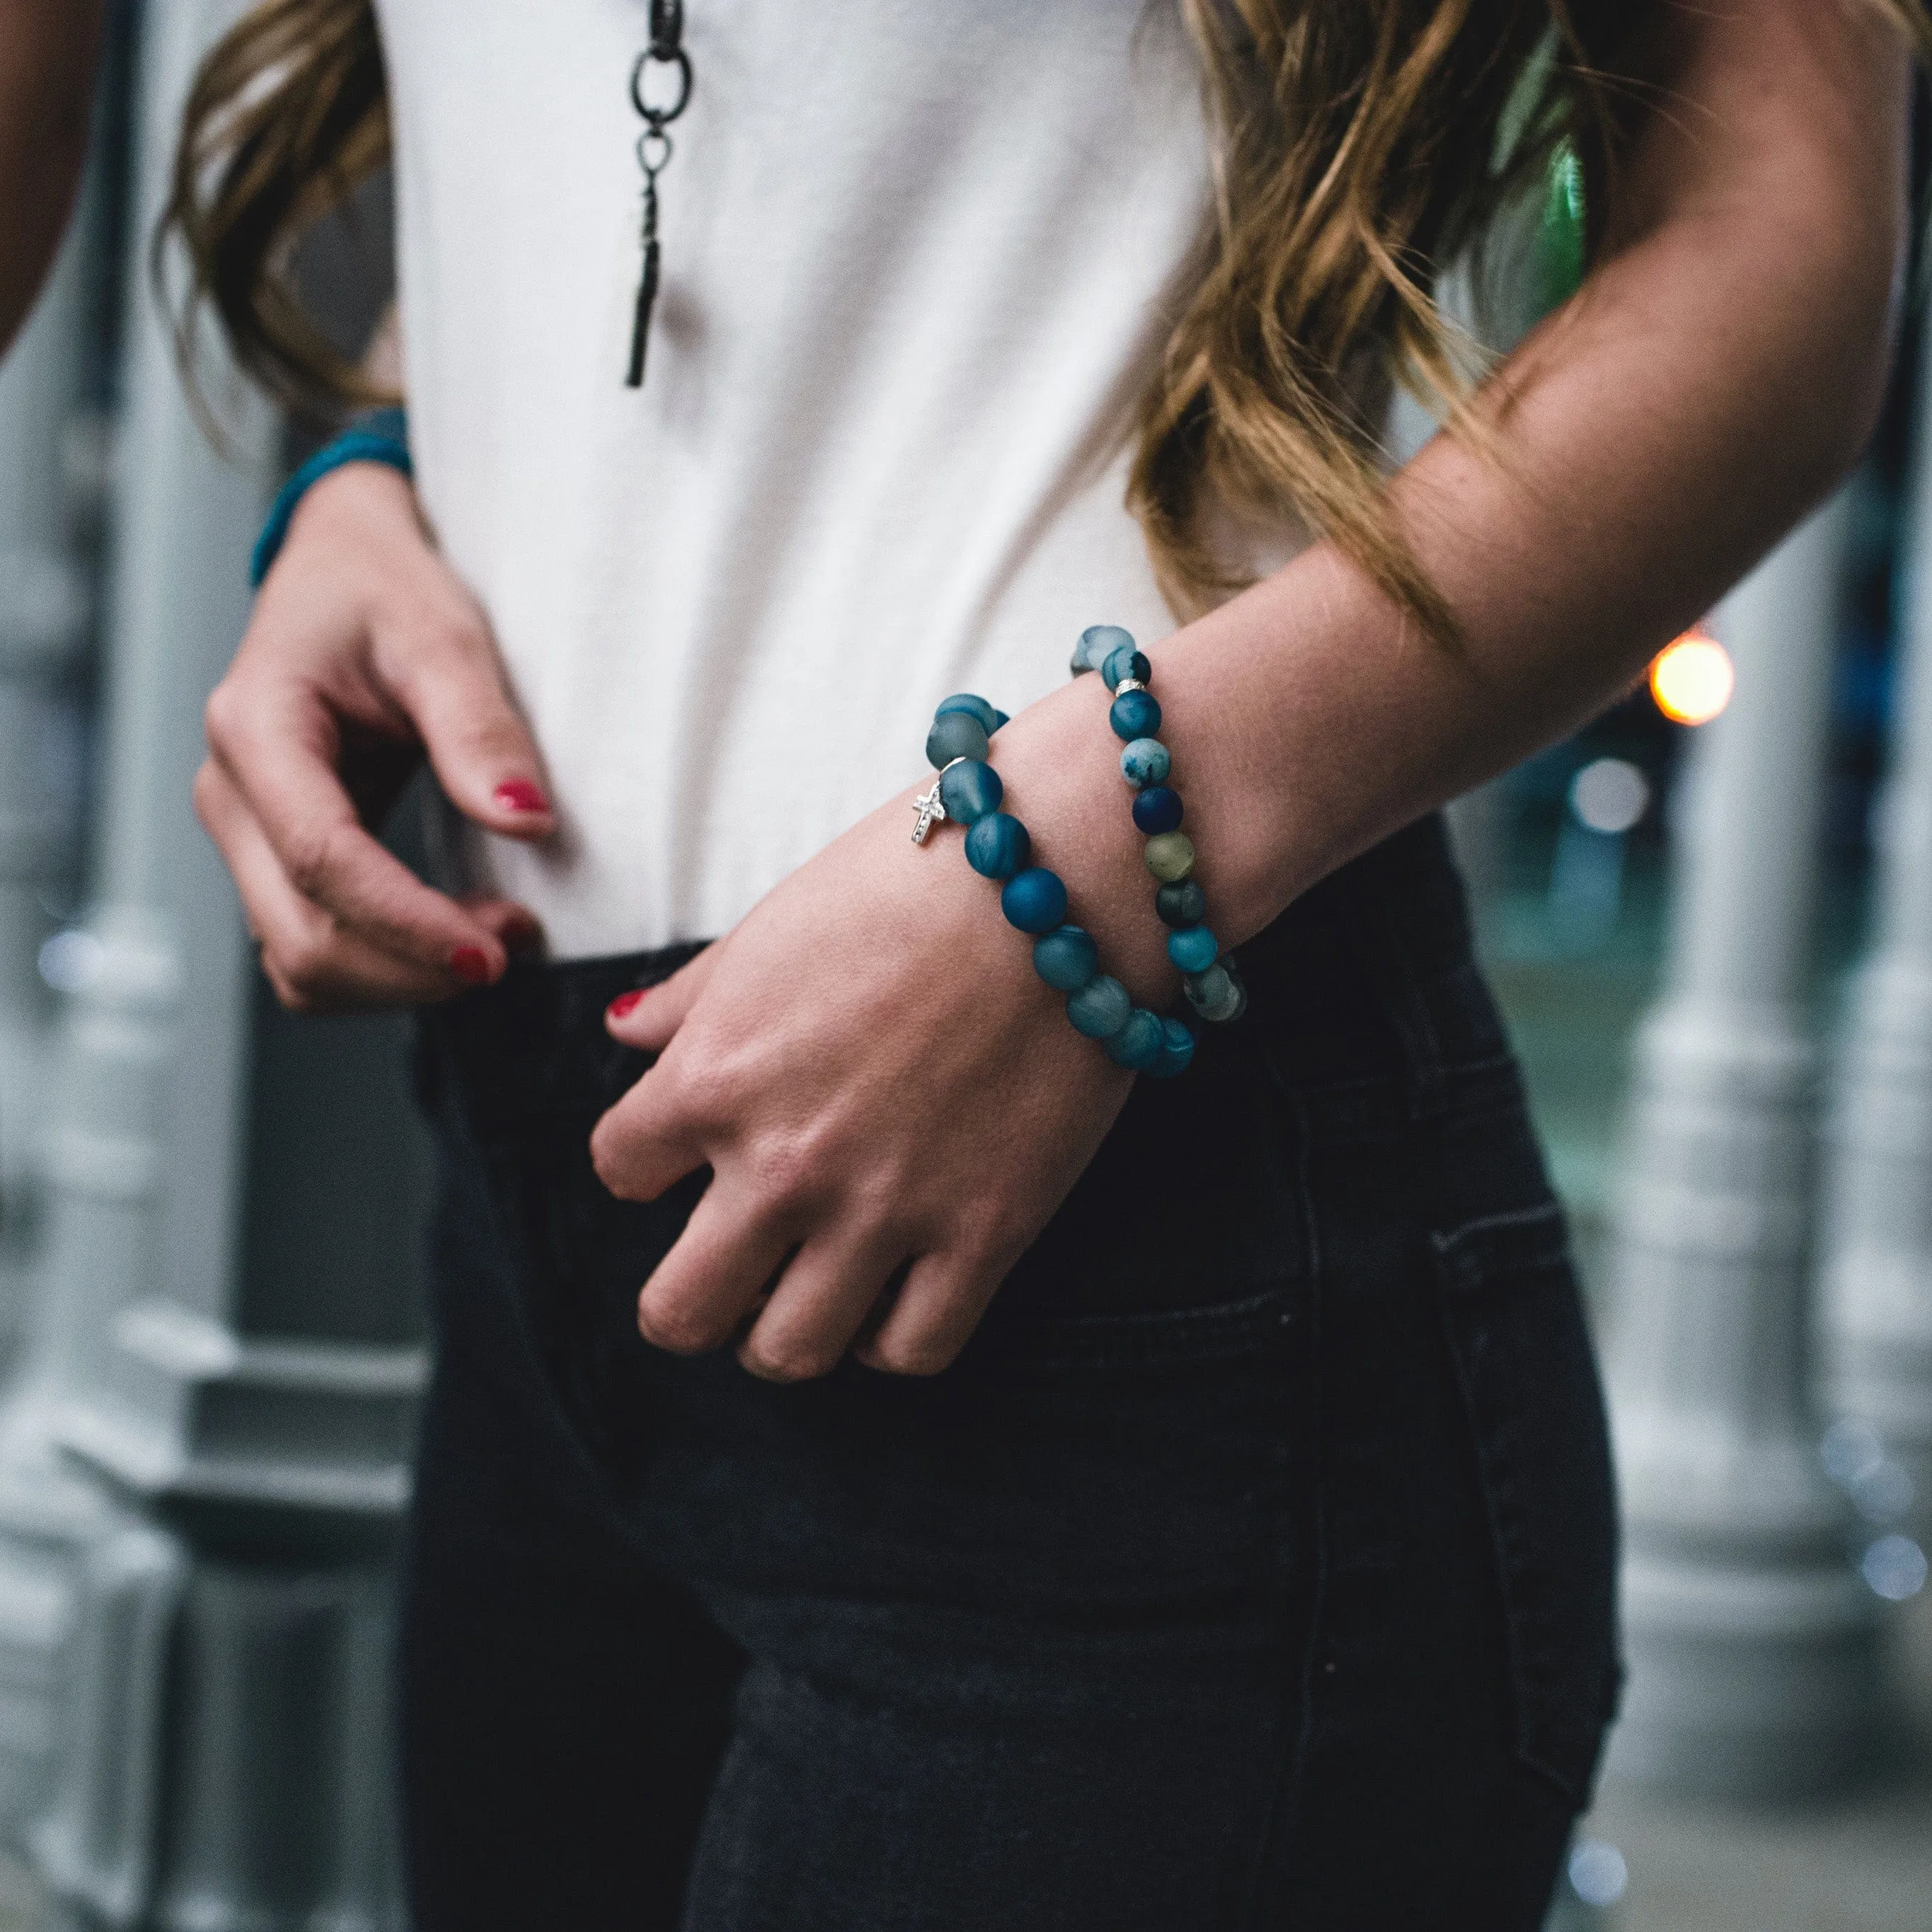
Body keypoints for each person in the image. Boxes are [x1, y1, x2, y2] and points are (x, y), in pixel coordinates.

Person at [143, 0, 1922, 1926]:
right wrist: (376, 477)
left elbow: (1779, 228)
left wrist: (1082, 867)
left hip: (1142, 1267)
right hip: (544, 1231)